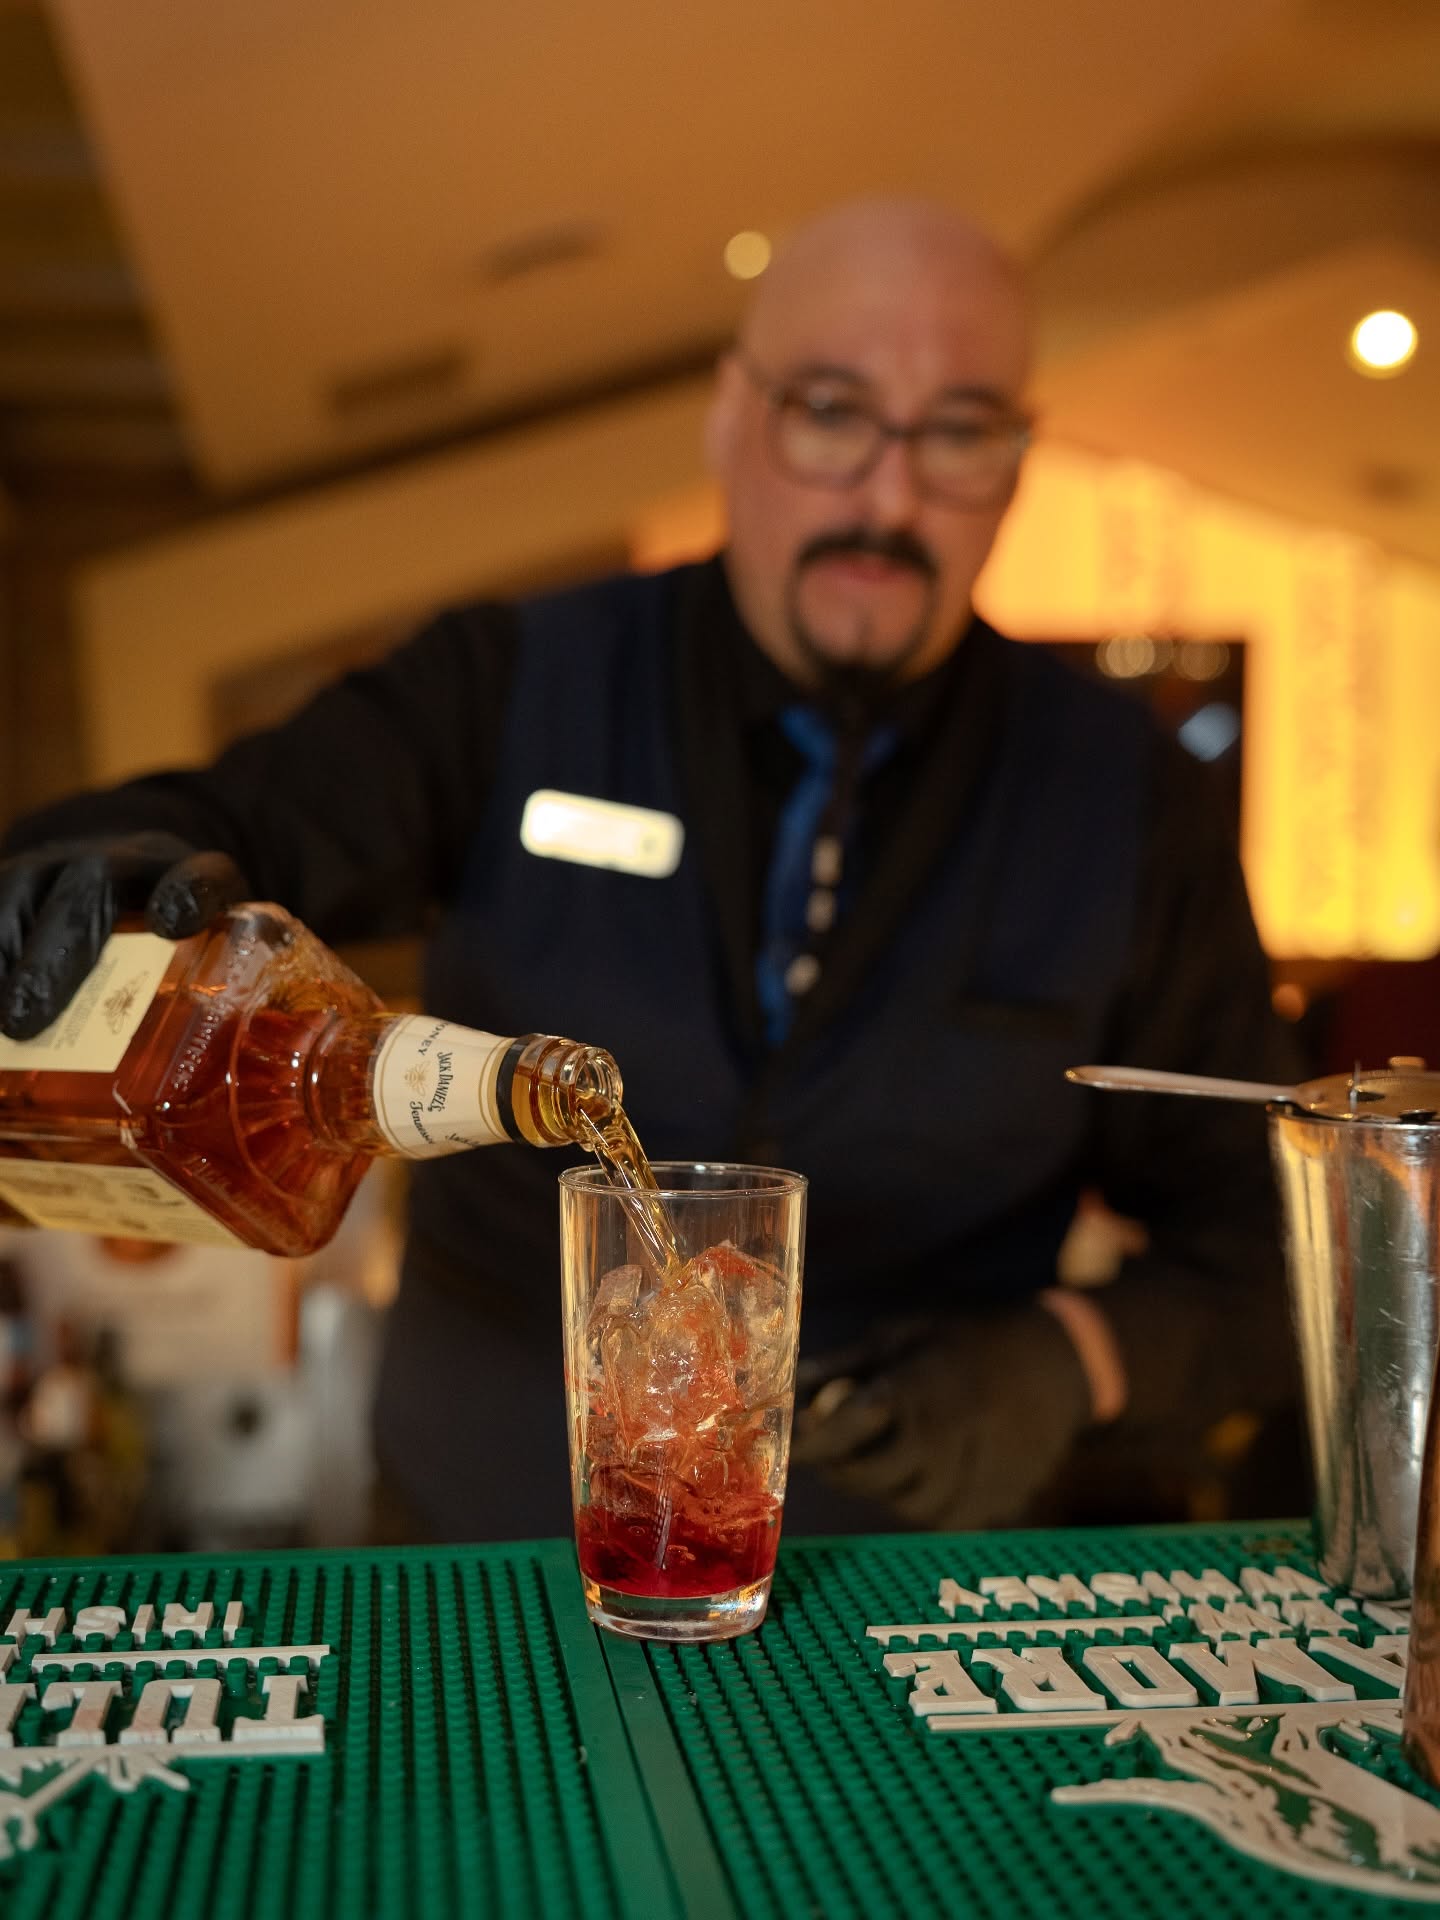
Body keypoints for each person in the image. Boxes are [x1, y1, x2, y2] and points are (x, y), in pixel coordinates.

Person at [0, 198, 1302, 1542]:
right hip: (486, 1544)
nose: (890, 494)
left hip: (903, 1579)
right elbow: (240, 817)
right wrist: (112, 857)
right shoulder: (512, 682)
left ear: (1018, 461)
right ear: (732, 418)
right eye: (831, 410)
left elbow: (1270, 1252)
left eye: (959, 431)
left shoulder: (1130, 796)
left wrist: (1071, 1360)